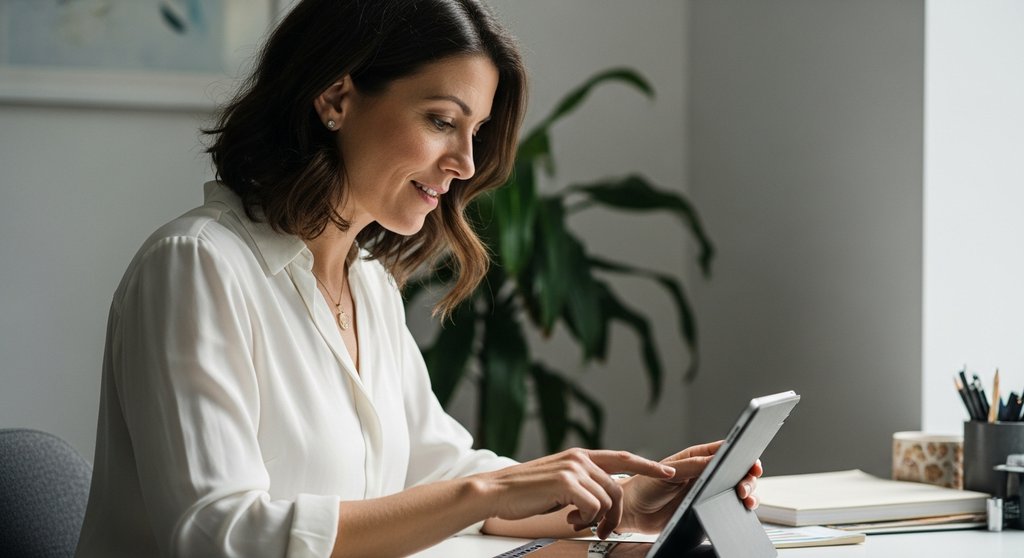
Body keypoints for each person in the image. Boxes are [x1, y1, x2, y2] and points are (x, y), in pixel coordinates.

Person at [75, 1, 762, 557]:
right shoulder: (196, 266)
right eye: (442, 121)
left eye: (476, 132)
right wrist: (486, 497)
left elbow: (435, 477)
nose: (465, 162)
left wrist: (622, 498)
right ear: (336, 97)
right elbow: (216, 536)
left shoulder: (366, 282)